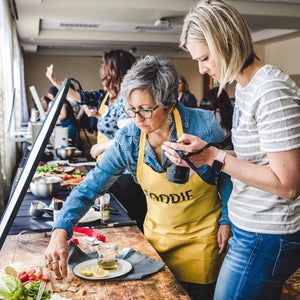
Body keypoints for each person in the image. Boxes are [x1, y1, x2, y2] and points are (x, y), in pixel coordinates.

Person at [44, 56, 232, 300]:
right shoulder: (130, 138)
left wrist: (227, 218)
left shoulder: (205, 127)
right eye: (131, 109)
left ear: (170, 103)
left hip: (203, 242)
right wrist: (61, 229)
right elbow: (90, 186)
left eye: (145, 110)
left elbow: (228, 177)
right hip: (156, 242)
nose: (137, 119)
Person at [161, 1, 300, 299]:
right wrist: (205, 153)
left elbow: (288, 185)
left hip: (268, 234)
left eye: (205, 57)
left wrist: (215, 157)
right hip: (251, 229)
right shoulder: (246, 87)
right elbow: (257, 161)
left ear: (227, 42)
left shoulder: (271, 90)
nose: (202, 68)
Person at [46, 50, 147, 231]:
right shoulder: (106, 96)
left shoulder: (129, 99)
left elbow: (133, 134)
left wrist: (102, 146)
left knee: (127, 226)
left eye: (104, 68)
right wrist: (57, 83)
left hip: (125, 174)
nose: (101, 72)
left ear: (115, 72)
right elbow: (77, 97)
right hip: (108, 168)